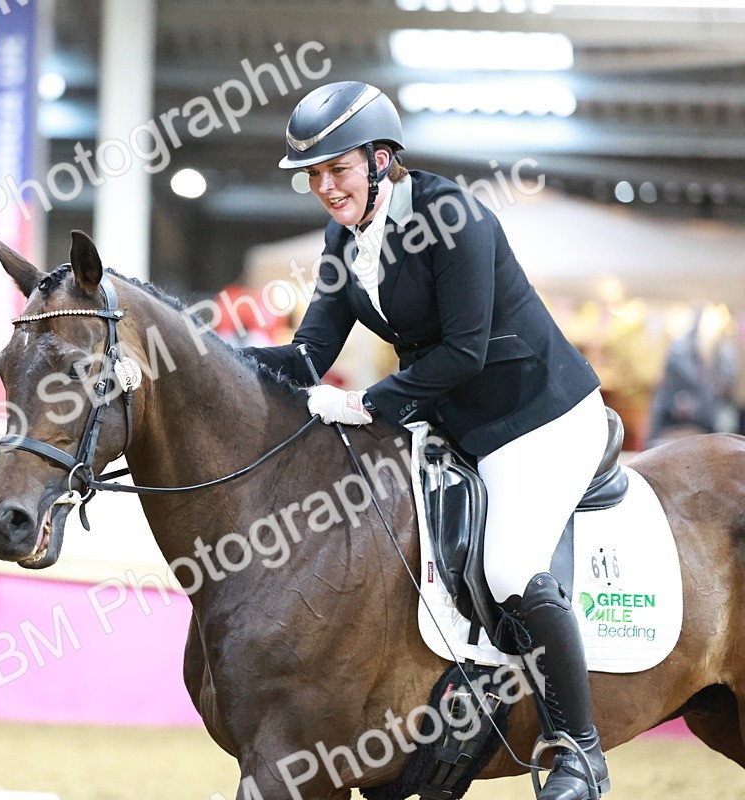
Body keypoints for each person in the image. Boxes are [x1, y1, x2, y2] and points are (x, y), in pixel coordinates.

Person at [241, 81, 610, 800]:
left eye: (337, 169)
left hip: (538, 416)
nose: (325, 187)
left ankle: (579, 751)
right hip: (451, 422)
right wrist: (217, 362)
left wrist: (368, 402)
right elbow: (311, 349)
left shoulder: (452, 216)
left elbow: (465, 351)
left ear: (381, 160)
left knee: (509, 566)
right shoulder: (342, 238)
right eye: (313, 175)